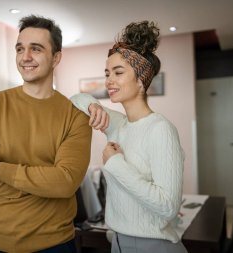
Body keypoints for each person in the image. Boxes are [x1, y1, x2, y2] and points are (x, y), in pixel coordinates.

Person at [0, 15, 92, 253]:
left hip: (54, 244)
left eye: (36, 49)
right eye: (20, 48)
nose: (25, 57)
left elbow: (65, 184)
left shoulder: (76, 115)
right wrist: (43, 185)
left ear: (56, 57)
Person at [70, 21, 187, 253]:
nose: (108, 81)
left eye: (118, 72)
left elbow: (168, 206)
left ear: (141, 80)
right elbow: (75, 99)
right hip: (119, 242)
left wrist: (115, 164)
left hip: (153, 246)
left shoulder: (160, 129)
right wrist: (94, 107)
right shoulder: (119, 125)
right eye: (107, 73)